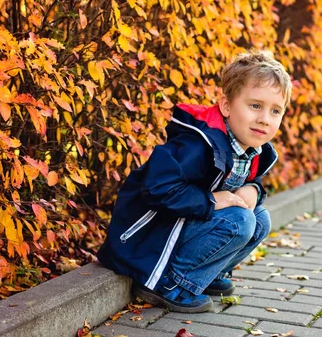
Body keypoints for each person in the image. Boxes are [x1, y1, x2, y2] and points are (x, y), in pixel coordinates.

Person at [97, 50, 292, 313]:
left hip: (184, 223)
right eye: (255, 106)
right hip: (148, 238)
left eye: (275, 111)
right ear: (226, 106)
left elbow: (248, 183)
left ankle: (206, 276)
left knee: (260, 219)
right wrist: (212, 200)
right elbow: (157, 189)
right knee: (240, 222)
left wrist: (253, 189)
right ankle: (170, 284)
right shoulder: (196, 145)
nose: (264, 119)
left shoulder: (251, 149)